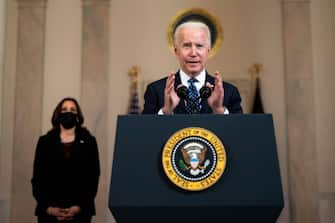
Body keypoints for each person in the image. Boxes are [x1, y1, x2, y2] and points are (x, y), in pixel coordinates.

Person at [142, 20, 243, 114]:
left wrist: (219, 110)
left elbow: (239, 130)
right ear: (176, 51)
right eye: (186, 45)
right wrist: (166, 111)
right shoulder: (155, 90)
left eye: (199, 46)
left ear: (208, 51)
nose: (193, 53)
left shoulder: (229, 92)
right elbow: (144, 130)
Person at [31, 97, 100, 223]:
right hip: (49, 213)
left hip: (80, 213)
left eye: (73, 110)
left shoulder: (89, 141)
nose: (68, 112)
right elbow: (37, 178)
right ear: (58, 115)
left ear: (78, 116)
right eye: (64, 109)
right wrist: (49, 208)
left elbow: (93, 178)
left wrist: (79, 207)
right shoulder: (45, 142)